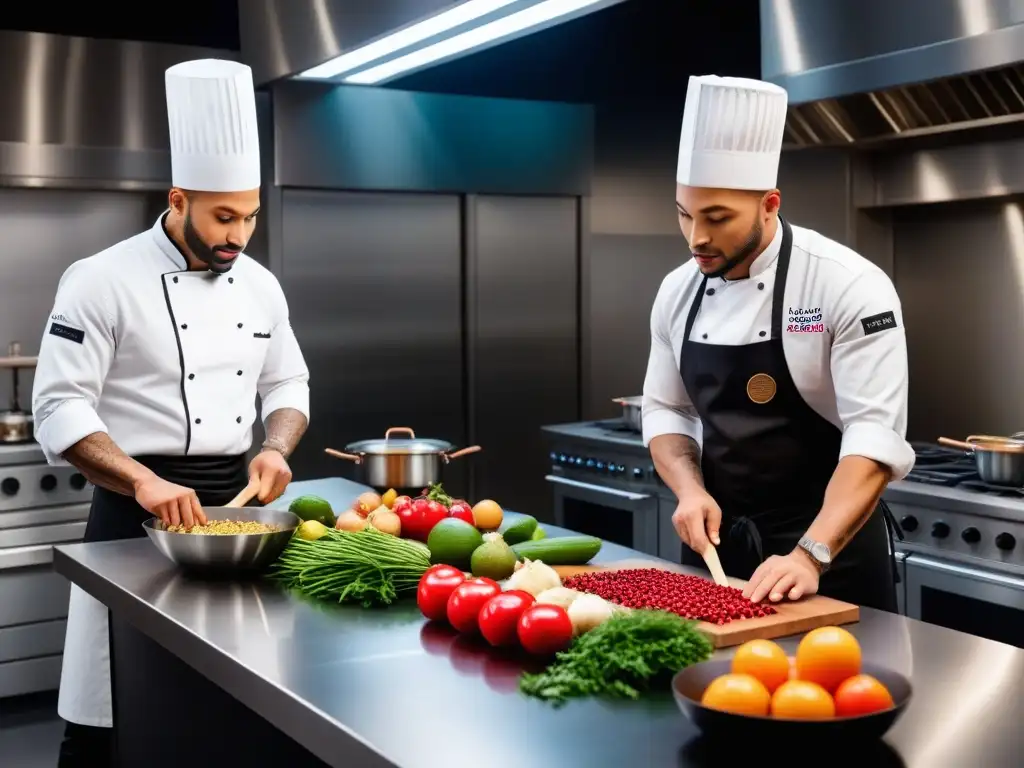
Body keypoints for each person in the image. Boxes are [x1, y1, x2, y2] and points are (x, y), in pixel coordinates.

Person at [32, 59, 311, 767]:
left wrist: (276, 447)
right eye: (223, 217)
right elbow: (58, 406)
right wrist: (141, 482)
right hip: (134, 518)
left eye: (249, 217)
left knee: (228, 708)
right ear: (178, 198)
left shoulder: (261, 286)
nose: (238, 235)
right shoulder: (101, 279)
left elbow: (289, 385)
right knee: (115, 713)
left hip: (237, 515)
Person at [642, 75, 913, 613]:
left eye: (717, 218)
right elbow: (666, 408)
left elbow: (874, 438)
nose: (696, 236)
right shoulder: (677, 290)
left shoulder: (847, 284)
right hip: (718, 552)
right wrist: (690, 491)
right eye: (684, 213)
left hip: (827, 556)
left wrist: (809, 555)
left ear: (769, 204)